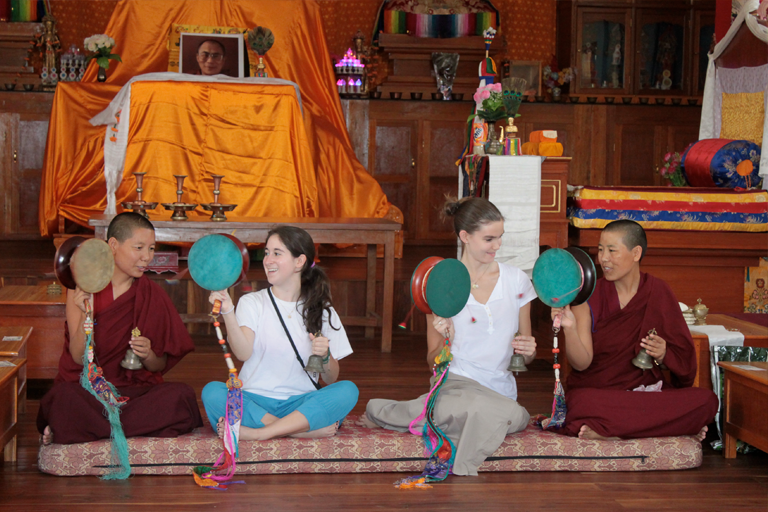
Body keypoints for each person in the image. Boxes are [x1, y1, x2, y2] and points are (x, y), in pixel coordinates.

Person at [362, 197, 535, 476]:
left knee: (515, 415)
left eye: (500, 237)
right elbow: (432, 361)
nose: (497, 246)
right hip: (456, 385)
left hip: (500, 392)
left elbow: (526, 356)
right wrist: (448, 340)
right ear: (465, 236)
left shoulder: (517, 280)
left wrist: (529, 350)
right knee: (493, 413)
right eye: (489, 239)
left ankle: (418, 416)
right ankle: (453, 450)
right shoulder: (440, 284)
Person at [38, 212, 203, 445]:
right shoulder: (82, 287)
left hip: (132, 392)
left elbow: (159, 366)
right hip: (89, 390)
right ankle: (123, 428)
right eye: (139, 248)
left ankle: (84, 427)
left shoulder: (151, 294)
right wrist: (87, 314)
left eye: (152, 249)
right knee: (63, 398)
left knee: (181, 396)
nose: (147, 257)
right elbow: (77, 357)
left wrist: (149, 355)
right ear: (113, 245)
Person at [551, 219, 718, 440]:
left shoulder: (658, 291)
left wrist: (664, 354)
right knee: (579, 403)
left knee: (707, 401)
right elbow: (581, 363)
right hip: (600, 394)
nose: (603, 258)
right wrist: (570, 329)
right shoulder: (589, 295)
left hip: (644, 393)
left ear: (636, 253)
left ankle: (611, 430)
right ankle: (669, 428)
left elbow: (685, 366)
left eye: (612, 250)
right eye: (600, 250)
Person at [201, 226, 358, 441]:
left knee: (348, 390)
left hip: (300, 404)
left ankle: (260, 433)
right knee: (212, 392)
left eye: (277, 253)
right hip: (255, 401)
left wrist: (326, 355)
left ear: (299, 261)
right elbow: (243, 353)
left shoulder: (322, 309)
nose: (267, 260)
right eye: (266, 253)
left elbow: (331, 379)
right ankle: (300, 430)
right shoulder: (252, 302)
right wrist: (228, 311)